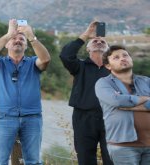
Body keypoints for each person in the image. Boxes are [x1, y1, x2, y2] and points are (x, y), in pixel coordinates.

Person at [0, 19, 51, 164]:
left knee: (33, 160)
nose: (18, 40)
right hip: (3, 117)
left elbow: (45, 60)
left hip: (32, 117)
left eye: (21, 39)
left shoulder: (33, 63)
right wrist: (9, 34)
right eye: (14, 39)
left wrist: (31, 36)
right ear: (6, 44)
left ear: (26, 45)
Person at [59, 21, 113, 165]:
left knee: (112, 159)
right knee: (85, 159)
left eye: (102, 41)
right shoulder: (79, 66)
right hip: (83, 118)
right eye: (95, 41)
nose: (99, 42)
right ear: (88, 49)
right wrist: (86, 35)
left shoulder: (114, 69)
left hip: (111, 118)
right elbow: (65, 55)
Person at [95, 45, 150, 165]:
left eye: (125, 55)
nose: (122, 58)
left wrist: (132, 104)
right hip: (123, 146)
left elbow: (123, 102)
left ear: (131, 59)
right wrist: (146, 99)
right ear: (108, 66)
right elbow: (117, 101)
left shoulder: (146, 81)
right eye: (116, 57)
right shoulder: (103, 83)